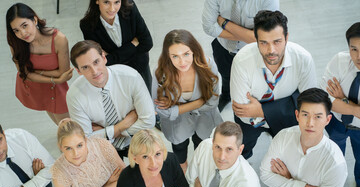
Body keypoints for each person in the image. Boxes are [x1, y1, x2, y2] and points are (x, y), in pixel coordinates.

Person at [260, 88, 347, 187]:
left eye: (318, 117)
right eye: (305, 115)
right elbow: (265, 174)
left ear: (327, 120)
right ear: (297, 115)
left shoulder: (335, 163)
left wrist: (287, 180)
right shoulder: (283, 137)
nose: (310, 123)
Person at [230, 10, 317, 159]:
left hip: (286, 122)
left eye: (277, 41)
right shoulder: (242, 60)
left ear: (286, 38)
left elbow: (310, 105)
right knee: (241, 151)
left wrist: (262, 111)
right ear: (256, 40)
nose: (271, 51)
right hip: (250, 123)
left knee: (290, 152)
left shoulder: (303, 59)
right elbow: (243, 112)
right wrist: (289, 105)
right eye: (264, 43)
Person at [67, 40, 155, 159]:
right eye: (86, 67)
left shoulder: (131, 77)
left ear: (104, 58)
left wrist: (111, 133)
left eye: (96, 62)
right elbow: (85, 140)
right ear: (78, 71)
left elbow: (148, 121)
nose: (95, 71)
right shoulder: (74, 95)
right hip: (102, 147)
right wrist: (121, 126)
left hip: (137, 136)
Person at [152, 29, 223, 172]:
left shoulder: (208, 65)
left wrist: (176, 109)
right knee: (179, 149)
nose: (182, 62)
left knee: (202, 148)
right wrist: (199, 102)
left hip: (205, 121)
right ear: (168, 56)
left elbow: (213, 101)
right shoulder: (160, 74)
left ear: (194, 51)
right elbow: (161, 111)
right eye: (175, 56)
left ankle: (198, 174)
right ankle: (184, 174)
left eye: (186, 54)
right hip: (177, 126)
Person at [202, 0, 279, 111]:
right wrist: (248, 35)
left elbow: (266, 34)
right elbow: (208, 27)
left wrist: (224, 23)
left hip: (253, 53)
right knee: (226, 75)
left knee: (251, 81)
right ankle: (227, 95)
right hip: (223, 48)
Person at [6, 3, 73, 125]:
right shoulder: (15, 42)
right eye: (16, 30)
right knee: (56, 119)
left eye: (25, 25)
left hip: (55, 89)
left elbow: (64, 73)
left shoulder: (58, 39)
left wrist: (34, 72)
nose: (22, 33)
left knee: (69, 126)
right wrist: (55, 79)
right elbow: (24, 74)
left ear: (35, 20)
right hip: (35, 86)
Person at [320, 22, 360, 187]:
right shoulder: (339, 61)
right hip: (336, 123)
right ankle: (333, 184)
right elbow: (325, 99)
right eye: (354, 49)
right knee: (335, 156)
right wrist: (354, 108)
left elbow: (335, 100)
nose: (358, 56)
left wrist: (342, 99)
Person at [80, 0, 153, 92]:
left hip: (140, 68)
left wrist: (112, 56)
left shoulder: (130, 8)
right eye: (106, 2)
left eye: (117, 2)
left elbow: (147, 43)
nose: (112, 8)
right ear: (97, 1)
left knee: (147, 100)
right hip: (116, 75)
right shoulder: (87, 26)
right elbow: (101, 61)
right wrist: (133, 44)